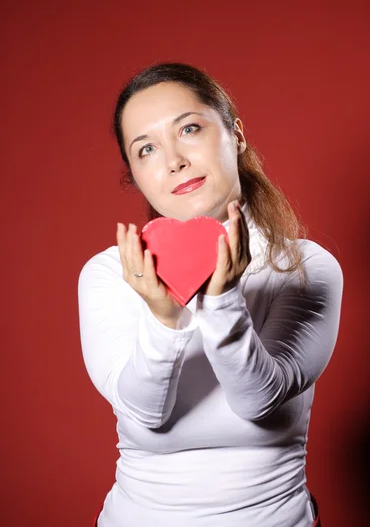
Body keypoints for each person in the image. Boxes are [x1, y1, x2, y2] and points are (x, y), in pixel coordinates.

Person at [77, 62, 343, 527]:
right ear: (134, 174)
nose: (173, 160)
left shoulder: (306, 267)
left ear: (236, 135)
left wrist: (223, 301)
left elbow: (258, 400)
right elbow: (145, 412)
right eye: (146, 150)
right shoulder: (111, 274)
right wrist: (163, 318)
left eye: (190, 129)